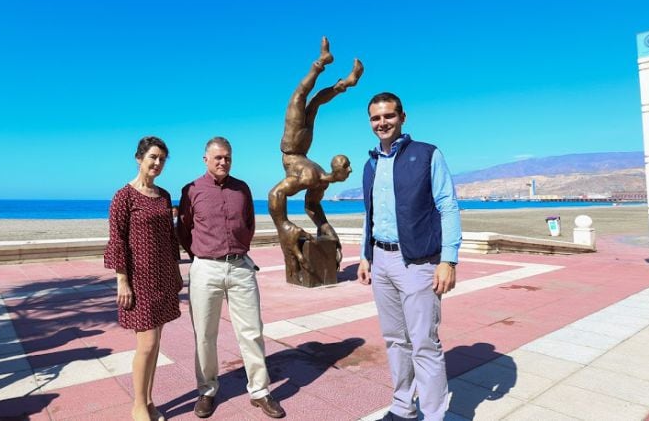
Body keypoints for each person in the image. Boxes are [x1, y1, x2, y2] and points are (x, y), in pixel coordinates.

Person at [356, 92, 462, 421]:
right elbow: (369, 214)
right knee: (394, 340)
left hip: (418, 263)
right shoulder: (371, 163)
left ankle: (433, 415)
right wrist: (365, 255)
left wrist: (448, 259)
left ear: (402, 116)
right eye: (375, 118)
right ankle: (403, 406)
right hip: (382, 261)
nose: (382, 123)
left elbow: (448, 205)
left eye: (388, 116)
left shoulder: (427, 154)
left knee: (424, 344)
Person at [177, 137, 286, 419]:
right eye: (217, 158)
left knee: (251, 332)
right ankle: (207, 390)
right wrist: (201, 255)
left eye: (227, 157)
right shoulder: (191, 190)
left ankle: (260, 391)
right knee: (204, 334)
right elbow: (183, 230)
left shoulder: (242, 188)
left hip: (240, 267)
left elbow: (248, 224)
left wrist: (237, 250)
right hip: (205, 268)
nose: (223, 162)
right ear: (205, 160)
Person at [104, 136, 183, 421]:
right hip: (139, 278)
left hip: (163, 275)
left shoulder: (163, 196)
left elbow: (170, 237)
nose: (157, 163)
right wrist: (122, 280)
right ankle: (137, 405)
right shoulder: (123, 196)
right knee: (147, 344)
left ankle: (149, 401)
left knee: (157, 341)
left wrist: (176, 270)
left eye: (162, 159)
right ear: (139, 158)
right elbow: (117, 241)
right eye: (153, 157)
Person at [268, 36, 360, 280]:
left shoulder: (316, 178)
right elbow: (281, 196)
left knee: (305, 98)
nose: (350, 171)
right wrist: (285, 225)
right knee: (307, 98)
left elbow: (309, 205)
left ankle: (331, 70)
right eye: (346, 166)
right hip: (296, 148)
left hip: (295, 147)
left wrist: (322, 226)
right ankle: (327, 68)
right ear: (337, 171)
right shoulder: (315, 176)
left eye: (347, 166)